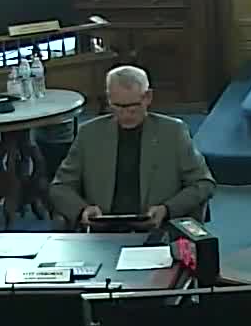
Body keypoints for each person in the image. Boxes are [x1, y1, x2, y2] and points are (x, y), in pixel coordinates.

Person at [48, 65, 215, 231]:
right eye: (118, 106)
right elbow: (60, 187)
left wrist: (167, 209)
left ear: (148, 97)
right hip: (103, 232)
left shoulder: (173, 132)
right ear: (109, 98)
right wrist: (83, 210)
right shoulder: (89, 134)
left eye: (133, 107)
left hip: (159, 230)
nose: (126, 114)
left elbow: (203, 183)